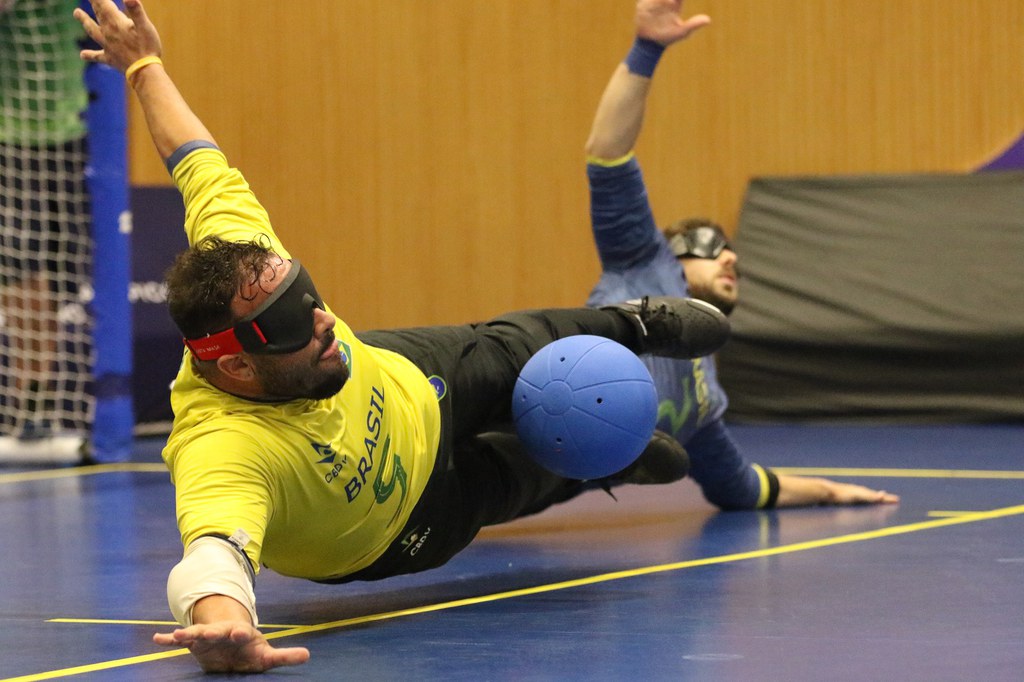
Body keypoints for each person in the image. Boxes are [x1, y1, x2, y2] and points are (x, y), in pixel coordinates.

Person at [74, 0, 731, 673]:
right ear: (237, 368)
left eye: (309, 295)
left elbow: (193, 157)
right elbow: (211, 555)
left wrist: (146, 65)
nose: (324, 318)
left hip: (405, 377)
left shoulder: (244, 265)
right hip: (403, 523)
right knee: (527, 471)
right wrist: (224, 626)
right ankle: (604, 460)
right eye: (297, 321)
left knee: (516, 342)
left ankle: (637, 323)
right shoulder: (224, 448)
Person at [584, 0, 899, 509]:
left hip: (520, 486)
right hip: (507, 417)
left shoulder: (704, 401)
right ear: (671, 254)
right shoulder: (641, 263)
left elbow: (740, 487)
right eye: (710, 247)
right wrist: (646, 50)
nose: (730, 259)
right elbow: (608, 156)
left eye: (734, 254)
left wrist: (827, 490)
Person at [0, 0, 90, 440]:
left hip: (66, 123)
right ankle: (28, 402)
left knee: (55, 273)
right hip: (9, 131)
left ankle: (42, 401)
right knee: (18, 266)